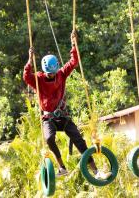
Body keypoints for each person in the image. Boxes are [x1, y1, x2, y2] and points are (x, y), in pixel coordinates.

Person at [23, 30, 110, 179]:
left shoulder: (61, 74)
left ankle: (95, 171)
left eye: (53, 72)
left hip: (63, 116)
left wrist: (73, 44)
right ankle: (61, 167)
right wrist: (30, 60)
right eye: (49, 74)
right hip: (48, 118)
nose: (52, 75)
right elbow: (26, 76)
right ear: (45, 72)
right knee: (49, 138)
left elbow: (74, 61)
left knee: (79, 141)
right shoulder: (39, 79)